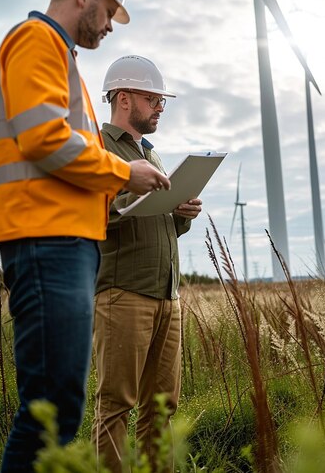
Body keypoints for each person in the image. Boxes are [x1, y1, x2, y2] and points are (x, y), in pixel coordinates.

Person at [0, 0, 170, 473]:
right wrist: (124, 174)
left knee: (56, 410)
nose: (112, 26)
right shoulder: (37, 41)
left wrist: (136, 195)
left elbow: (66, 157)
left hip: (63, 243)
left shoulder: (60, 59)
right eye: (111, 11)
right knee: (51, 413)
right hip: (46, 242)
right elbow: (46, 140)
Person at [91, 55, 202, 472]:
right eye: (152, 98)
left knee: (161, 407)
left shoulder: (150, 155)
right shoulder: (98, 147)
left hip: (167, 297)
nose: (160, 106)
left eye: (161, 100)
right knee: (116, 405)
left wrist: (179, 213)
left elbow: (158, 225)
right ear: (123, 98)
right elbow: (89, 211)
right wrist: (131, 201)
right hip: (122, 294)